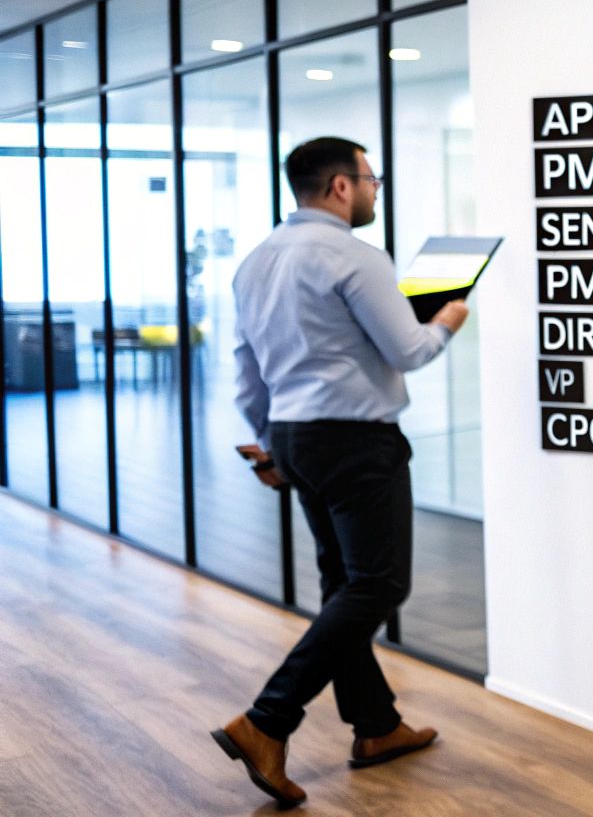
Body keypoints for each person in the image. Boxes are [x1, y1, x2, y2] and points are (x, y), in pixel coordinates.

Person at [210, 136, 469, 807]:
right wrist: (446, 319)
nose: (376, 188)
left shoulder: (256, 261)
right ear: (341, 188)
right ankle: (266, 722)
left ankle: (376, 727)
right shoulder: (355, 256)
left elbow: (247, 367)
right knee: (377, 586)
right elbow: (408, 350)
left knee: (343, 586)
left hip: (296, 437)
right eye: (371, 178)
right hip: (355, 441)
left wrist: (269, 443)